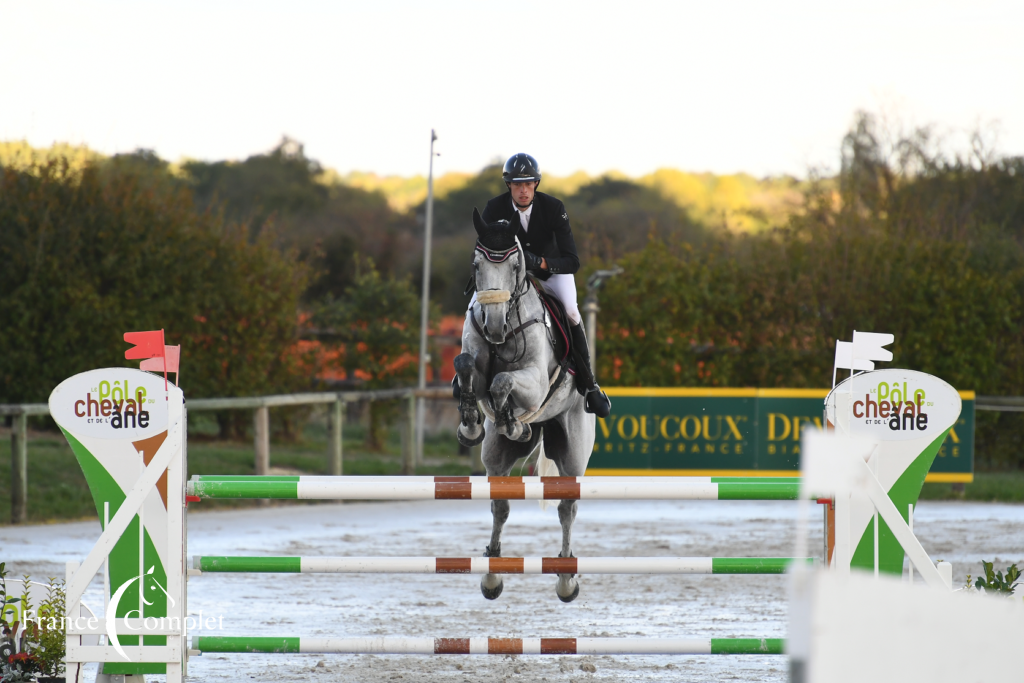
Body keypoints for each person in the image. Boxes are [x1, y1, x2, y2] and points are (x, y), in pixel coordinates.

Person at [472, 152, 611, 418]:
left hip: (550, 273)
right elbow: (483, 252)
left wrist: (541, 263)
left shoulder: (553, 208)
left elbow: (572, 260)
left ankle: (589, 385)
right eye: (517, 184)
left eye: (528, 184)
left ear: (536, 184)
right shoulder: (494, 209)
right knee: (480, 305)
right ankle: (468, 374)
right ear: (508, 185)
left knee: (570, 310)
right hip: (508, 277)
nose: (523, 190)